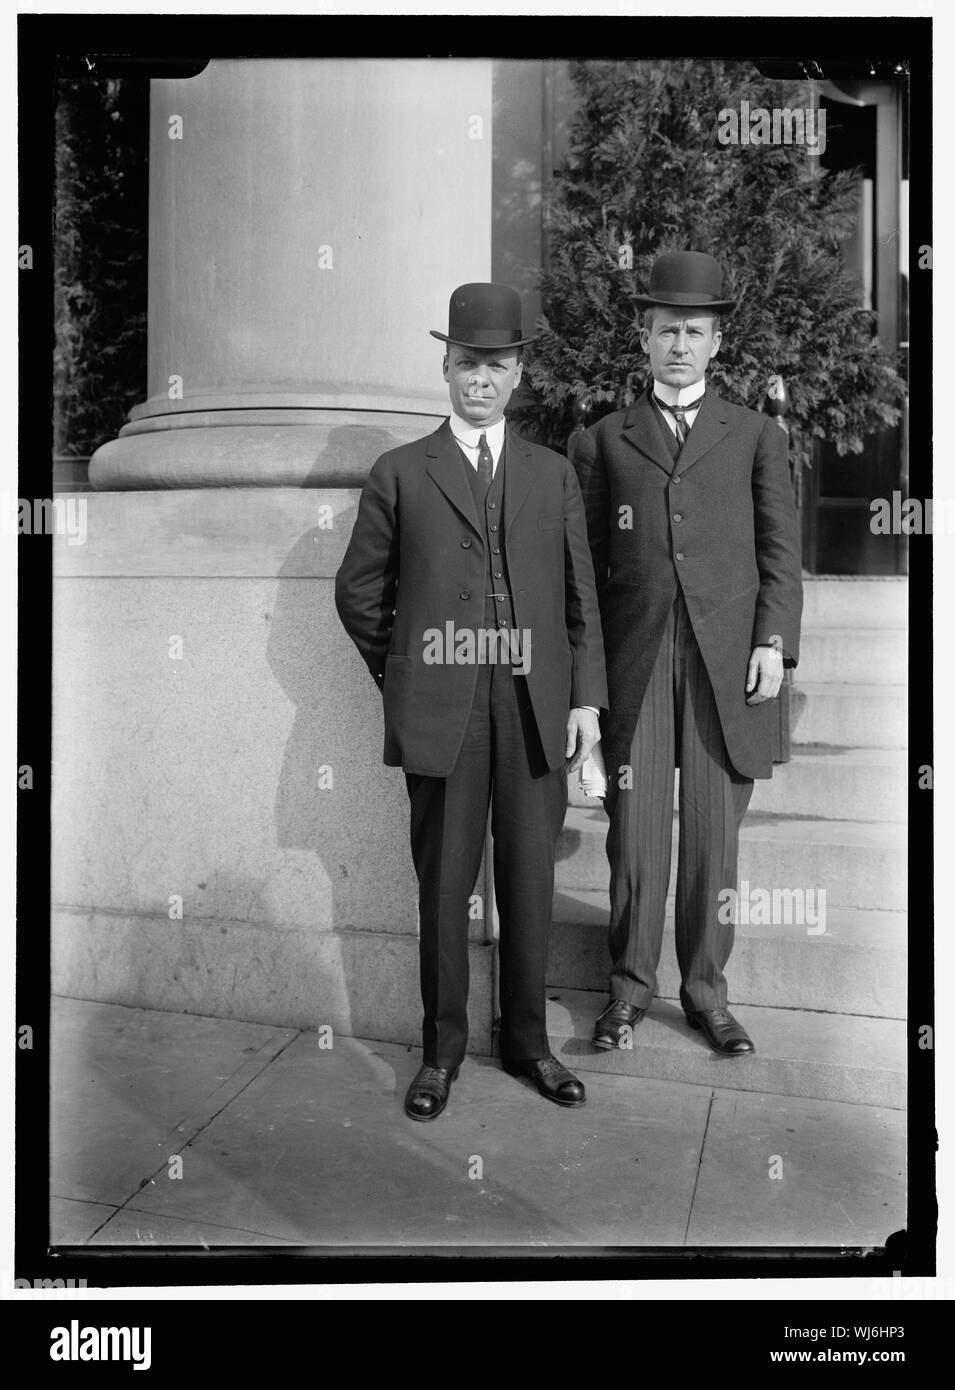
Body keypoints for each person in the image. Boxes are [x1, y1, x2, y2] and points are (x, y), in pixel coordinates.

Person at [335, 282, 608, 1120]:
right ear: (444, 367)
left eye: (494, 366)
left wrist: (585, 706)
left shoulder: (551, 473)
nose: (478, 380)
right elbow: (357, 593)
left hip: (532, 710)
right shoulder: (399, 472)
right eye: (465, 364)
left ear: (518, 373)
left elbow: (579, 599)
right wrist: (409, 672)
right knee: (444, 887)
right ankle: (440, 1053)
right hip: (441, 713)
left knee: (527, 882)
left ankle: (530, 1046)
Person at [572, 251, 803, 1057]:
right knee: (633, 840)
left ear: (715, 343)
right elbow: (584, 577)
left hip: (723, 662)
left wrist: (774, 642)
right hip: (637, 661)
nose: (679, 344)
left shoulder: (755, 437)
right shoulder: (601, 441)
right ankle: (628, 993)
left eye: (694, 331)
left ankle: (707, 994)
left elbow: (780, 553)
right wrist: (586, 687)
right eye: (665, 329)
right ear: (642, 338)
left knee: (713, 838)